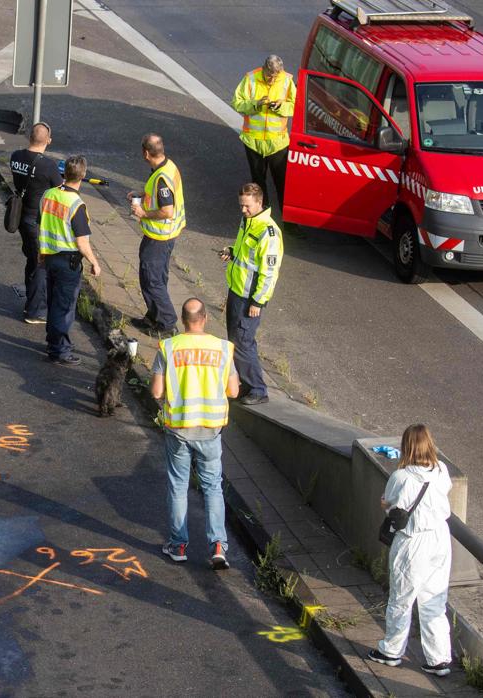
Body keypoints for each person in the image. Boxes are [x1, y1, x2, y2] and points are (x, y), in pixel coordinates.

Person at [151, 298, 241, 570]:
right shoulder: (223, 349)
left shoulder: (168, 347)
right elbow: (234, 391)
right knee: (212, 486)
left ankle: (178, 545)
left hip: (179, 428)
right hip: (211, 429)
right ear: (205, 318)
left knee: (178, 485)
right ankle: (217, 546)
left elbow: (156, 391)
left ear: (182, 319)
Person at [367, 424, 454, 677]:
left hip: (412, 541)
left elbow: (391, 504)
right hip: (440, 538)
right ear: (429, 444)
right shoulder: (441, 470)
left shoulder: (401, 477)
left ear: (406, 447)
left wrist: (385, 504)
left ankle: (391, 650)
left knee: (401, 598)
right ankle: (438, 659)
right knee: (435, 600)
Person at [219, 183, 283, 405]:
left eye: (246, 206)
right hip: (237, 291)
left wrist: (258, 301)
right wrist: (231, 252)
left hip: (249, 299)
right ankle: (246, 384)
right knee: (237, 341)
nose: (243, 210)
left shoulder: (268, 232)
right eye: (241, 206)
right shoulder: (248, 221)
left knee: (243, 343)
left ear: (259, 202)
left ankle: (258, 389)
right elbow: (245, 252)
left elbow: (269, 273)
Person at [39, 156, 102, 366]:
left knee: (53, 303)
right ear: (83, 176)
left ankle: (53, 342)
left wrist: (41, 255)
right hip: (69, 262)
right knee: (64, 308)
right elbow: (82, 243)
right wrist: (94, 262)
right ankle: (60, 351)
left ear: (64, 172)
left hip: (49, 257)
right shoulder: (77, 205)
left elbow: (42, 225)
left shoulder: (48, 195)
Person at [126, 133, 185, 339]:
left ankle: (167, 323)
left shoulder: (161, 178)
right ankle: (153, 317)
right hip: (163, 236)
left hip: (160, 237)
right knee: (152, 277)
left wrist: (143, 213)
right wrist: (143, 194)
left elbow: (167, 210)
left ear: (145, 153)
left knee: (153, 280)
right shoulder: (168, 166)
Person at [9, 122, 63, 323]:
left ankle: (31, 301)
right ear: (48, 141)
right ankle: (35, 311)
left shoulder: (16, 156)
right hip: (36, 220)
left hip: (20, 216)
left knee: (32, 259)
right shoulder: (47, 165)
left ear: (29, 137)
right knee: (41, 264)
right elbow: (60, 188)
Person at [231, 55, 296, 216]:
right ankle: (262, 217)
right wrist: (256, 104)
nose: (272, 80)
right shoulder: (251, 78)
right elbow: (237, 103)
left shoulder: (287, 80)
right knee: (258, 184)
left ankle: (289, 223)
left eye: (275, 77)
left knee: (282, 183)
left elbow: (296, 106)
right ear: (264, 69)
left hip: (277, 143)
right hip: (254, 141)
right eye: (269, 76)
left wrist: (281, 106)